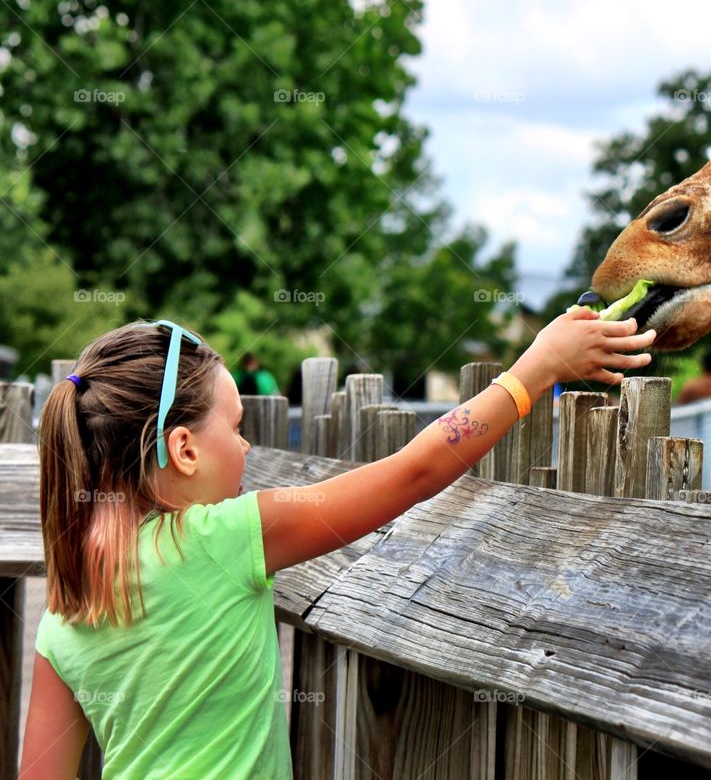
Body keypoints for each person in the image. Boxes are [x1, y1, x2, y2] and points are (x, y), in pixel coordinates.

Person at [20, 309, 655, 779]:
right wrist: (536, 369)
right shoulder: (224, 538)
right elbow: (414, 471)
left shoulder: (65, 608)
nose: (245, 447)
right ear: (183, 450)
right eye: (235, 428)